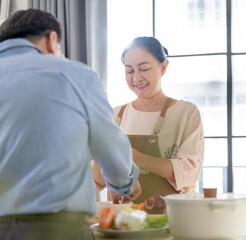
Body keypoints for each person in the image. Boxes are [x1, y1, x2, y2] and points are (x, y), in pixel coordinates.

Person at [0, 9, 140, 240]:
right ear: (51, 40)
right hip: (54, 228)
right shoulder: (73, 74)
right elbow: (111, 152)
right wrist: (124, 183)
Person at [92, 36, 204, 203]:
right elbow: (95, 180)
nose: (136, 78)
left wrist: (133, 157)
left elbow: (188, 173)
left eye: (143, 69)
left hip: (171, 219)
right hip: (122, 221)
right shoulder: (114, 115)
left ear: (163, 68)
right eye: (129, 71)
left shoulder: (186, 112)